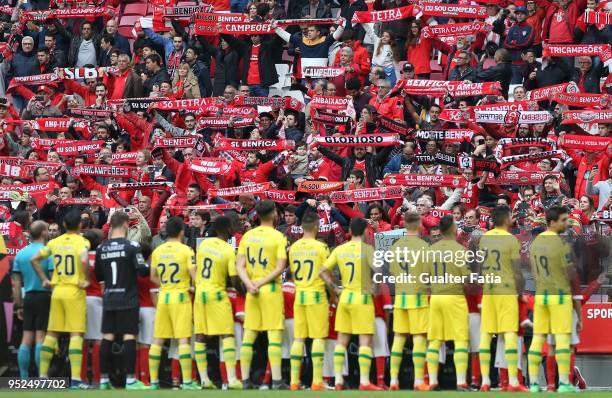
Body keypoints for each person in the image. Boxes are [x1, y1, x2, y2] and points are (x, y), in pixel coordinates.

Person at [319, 217, 383, 391]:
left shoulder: (340, 249)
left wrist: (335, 288)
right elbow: (379, 271)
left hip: (345, 296)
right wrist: (374, 289)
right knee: (364, 342)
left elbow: (322, 271)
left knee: (341, 341)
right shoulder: (368, 249)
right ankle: (364, 382)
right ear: (363, 231)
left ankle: (338, 380)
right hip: (362, 297)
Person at [31, 210, 91, 389]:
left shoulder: (54, 242)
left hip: (57, 291)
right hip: (74, 291)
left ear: (64, 225)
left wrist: (44, 279)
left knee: (52, 333)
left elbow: (35, 259)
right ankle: (75, 380)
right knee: (76, 334)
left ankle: (42, 376)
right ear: (80, 225)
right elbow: (85, 260)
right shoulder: (82, 241)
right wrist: (86, 279)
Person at [235, 200, 288, 389]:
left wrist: (250, 283)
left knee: (249, 335)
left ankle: (245, 380)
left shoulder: (248, 236)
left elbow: (239, 265)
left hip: (252, 291)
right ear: (274, 213)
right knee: (274, 335)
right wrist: (261, 282)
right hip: (270, 289)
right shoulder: (278, 237)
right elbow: (281, 266)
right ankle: (276, 381)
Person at [527, 206, 580, 393]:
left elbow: (534, 272)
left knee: (538, 338)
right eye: (563, 220)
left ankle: (533, 383)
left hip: (541, 295)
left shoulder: (535, 243)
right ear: (552, 222)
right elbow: (570, 272)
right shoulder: (561, 244)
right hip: (559, 296)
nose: (567, 223)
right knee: (562, 339)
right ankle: (564, 383)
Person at [94, 211, 149, 390]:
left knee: (107, 337)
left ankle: (103, 381)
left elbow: (99, 276)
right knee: (129, 337)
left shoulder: (102, 248)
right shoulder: (132, 246)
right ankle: (131, 380)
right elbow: (142, 271)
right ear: (126, 225)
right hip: (128, 298)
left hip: (109, 297)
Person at [477, 206, 528, 392]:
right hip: (506, 291)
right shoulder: (511, 240)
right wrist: (521, 292)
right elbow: (516, 271)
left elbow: (480, 268)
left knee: (486, 335)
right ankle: (514, 381)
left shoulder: (484, 238)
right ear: (507, 219)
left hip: (489, 291)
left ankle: (485, 381)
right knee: (509, 334)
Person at [193, 216, 243, 390]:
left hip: (200, 294)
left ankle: (205, 380)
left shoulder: (203, 245)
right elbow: (234, 280)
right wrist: (245, 290)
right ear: (227, 229)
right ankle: (232, 379)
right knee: (227, 334)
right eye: (232, 227)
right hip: (216, 294)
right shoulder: (228, 250)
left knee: (200, 335)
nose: (233, 230)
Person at [147, 217, 197, 390]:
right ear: (182, 231)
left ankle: (153, 382)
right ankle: (188, 382)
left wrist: (164, 285)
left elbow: (152, 277)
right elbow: (195, 277)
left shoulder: (158, 251)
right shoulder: (186, 250)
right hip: (180, 297)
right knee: (183, 340)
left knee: (158, 340)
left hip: (164, 297)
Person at [425, 215, 471, 391]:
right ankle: (460, 382)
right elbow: (467, 279)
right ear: (452, 229)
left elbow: (425, 276)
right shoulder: (460, 250)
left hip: (436, 297)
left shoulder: (431, 250)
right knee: (460, 339)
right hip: (454, 297)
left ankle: (433, 382)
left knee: (435, 340)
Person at [387, 212, 430, 391]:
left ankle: (393, 381)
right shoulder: (424, 247)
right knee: (419, 337)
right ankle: (418, 381)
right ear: (419, 225)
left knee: (398, 337)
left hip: (401, 297)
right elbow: (428, 275)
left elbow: (392, 272)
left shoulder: (395, 247)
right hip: (418, 297)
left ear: (404, 225)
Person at [287, 212, 329, 391]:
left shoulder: (294, 247)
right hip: (316, 295)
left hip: (299, 295)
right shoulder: (322, 247)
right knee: (318, 337)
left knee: (299, 339)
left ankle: (294, 382)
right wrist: (333, 291)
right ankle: (317, 382)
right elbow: (326, 274)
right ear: (317, 226)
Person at [11, 221, 51, 378]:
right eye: (47, 230)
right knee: (41, 337)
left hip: (27, 298)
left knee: (26, 338)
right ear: (42, 233)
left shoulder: (21, 254)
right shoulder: (47, 252)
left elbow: (16, 283)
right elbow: (52, 277)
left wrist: (19, 305)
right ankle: (42, 377)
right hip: (44, 296)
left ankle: (24, 378)